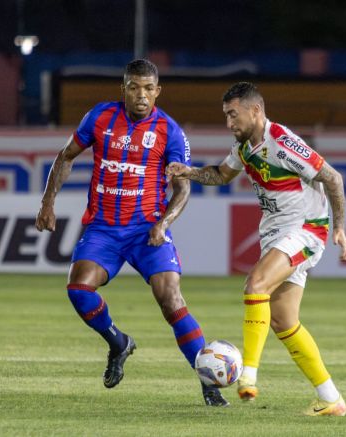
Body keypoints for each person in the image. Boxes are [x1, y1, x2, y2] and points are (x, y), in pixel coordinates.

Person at [35, 59, 228, 407]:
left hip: (146, 230)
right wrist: (48, 202)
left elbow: (182, 190)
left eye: (148, 88)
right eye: (134, 87)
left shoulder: (170, 131)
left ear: (157, 91)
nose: (141, 95)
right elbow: (66, 157)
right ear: (123, 88)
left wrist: (163, 223)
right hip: (104, 228)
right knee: (79, 291)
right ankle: (118, 342)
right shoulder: (99, 117)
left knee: (171, 300)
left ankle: (208, 383)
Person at [166, 82, 346, 416]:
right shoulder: (243, 146)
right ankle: (331, 399)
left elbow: (333, 178)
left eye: (233, 115)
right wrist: (189, 172)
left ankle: (248, 375)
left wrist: (338, 228)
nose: (229, 123)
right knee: (283, 320)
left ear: (256, 110)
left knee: (255, 285)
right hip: (276, 233)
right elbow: (222, 175)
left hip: (306, 229)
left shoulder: (282, 141)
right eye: (226, 116)